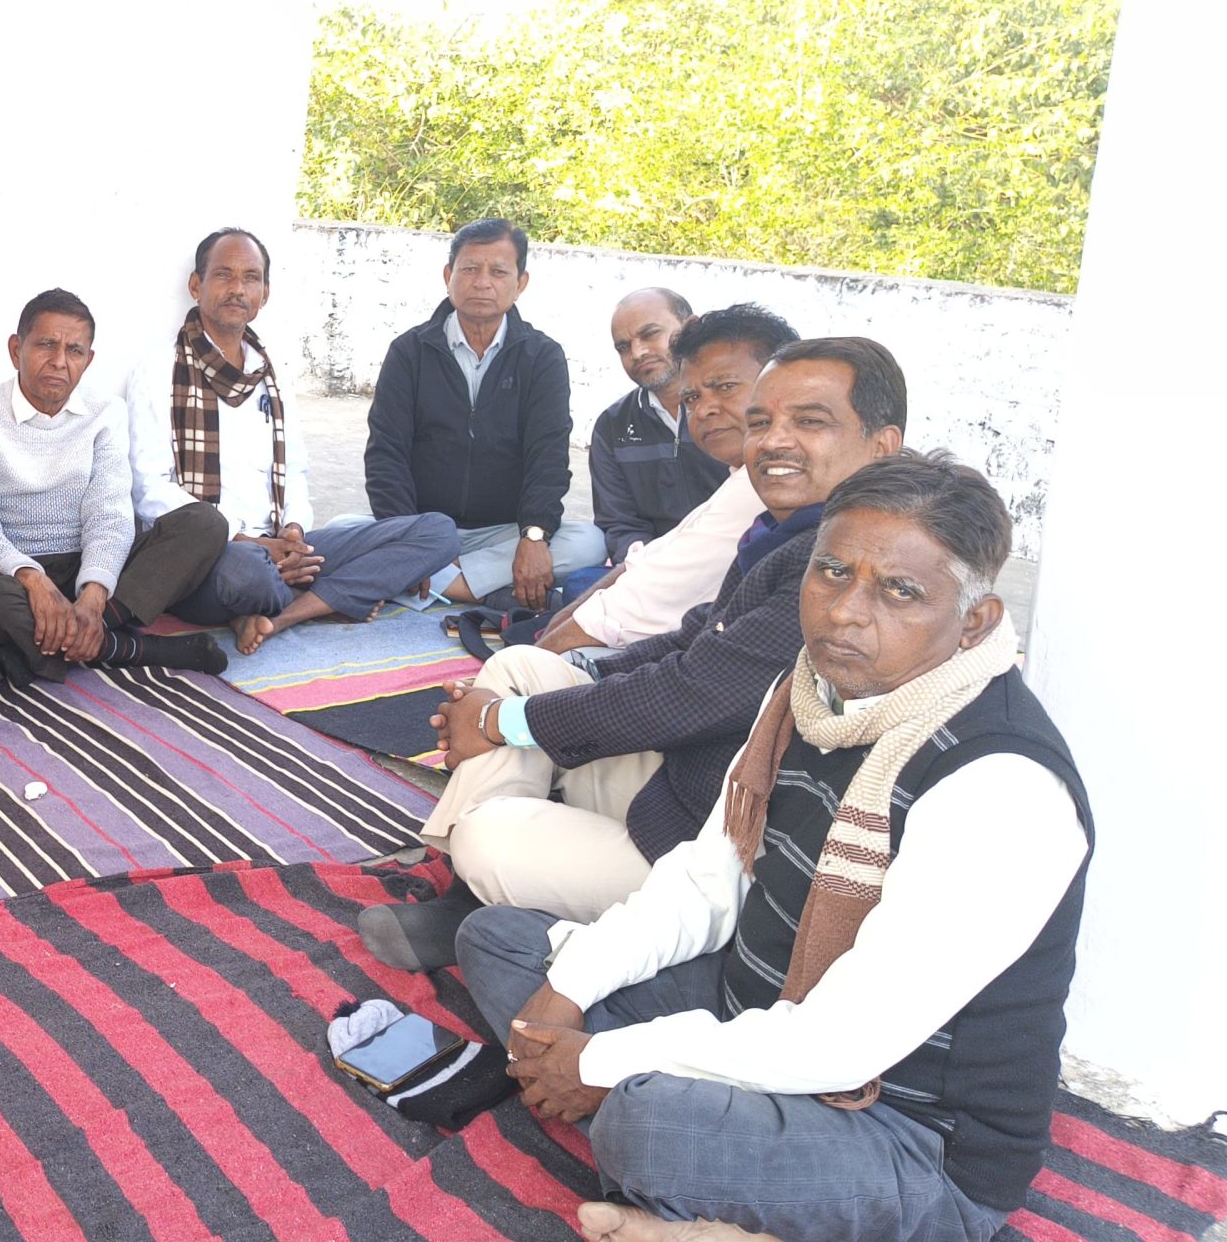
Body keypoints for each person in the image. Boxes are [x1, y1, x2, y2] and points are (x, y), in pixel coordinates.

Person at [457, 452, 1084, 1242]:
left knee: (647, 1124)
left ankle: (678, 1161)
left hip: (907, 1131)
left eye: (899, 591)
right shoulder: (806, 691)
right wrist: (570, 992)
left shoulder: (1000, 783)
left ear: (975, 623)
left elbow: (843, 1042)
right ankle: (703, 1181)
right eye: (832, 572)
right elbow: (707, 881)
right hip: (756, 1006)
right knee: (502, 944)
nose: (845, 612)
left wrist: (598, 1064)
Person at [363, 338, 908, 967]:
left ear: (881, 445)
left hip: (723, 848)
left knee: (488, 826)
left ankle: (489, 883)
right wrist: (570, 675)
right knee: (522, 669)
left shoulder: (850, 567)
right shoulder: (788, 531)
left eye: (809, 421)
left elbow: (695, 691)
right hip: (691, 783)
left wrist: (496, 721)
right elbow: (696, 638)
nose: (773, 441)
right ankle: (471, 893)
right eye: (761, 422)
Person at [127, 228, 457, 655]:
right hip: (211, 556)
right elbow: (149, 490)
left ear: (264, 294)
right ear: (196, 285)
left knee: (438, 533)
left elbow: (295, 469)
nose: (237, 288)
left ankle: (283, 614)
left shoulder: (273, 373)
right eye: (224, 275)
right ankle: (327, 598)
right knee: (246, 576)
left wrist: (295, 535)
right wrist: (250, 543)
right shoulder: (158, 372)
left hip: (280, 544)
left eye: (251, 278)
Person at [0, 288, 230, 686]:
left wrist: (94, 596)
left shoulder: (106, 413)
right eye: (46, 345)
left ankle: (64, 641)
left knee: (205, 523)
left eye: (74, 351)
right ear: (16, 349)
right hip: (15, 575)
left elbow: (110, 513)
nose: (59, 361)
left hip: (88, 565)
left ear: (88, 360)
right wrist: (33, 579)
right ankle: (132, 649)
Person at [363, 218, 605, 610]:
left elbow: (548, 457)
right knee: (340, 530)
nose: (482, 283)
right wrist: (409, 541)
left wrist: (534, 535)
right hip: (425, 529)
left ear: (520, 283)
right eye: (470, 269)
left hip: (505, 532)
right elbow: (385, 454)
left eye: (498, 272)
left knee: (589, 543)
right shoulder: (409, 352)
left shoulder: (541, 356)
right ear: (448, 276)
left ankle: (426, 581)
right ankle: (478, 585)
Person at [535, 304, 801, 654]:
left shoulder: (771, 475)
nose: (704, 409)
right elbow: (621, 525)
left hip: (698, 600)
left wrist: (539, 653)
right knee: (585, 585)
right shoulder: (614, 423)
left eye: (726, 387)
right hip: (660, 566)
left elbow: (659, 589)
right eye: (692, 398)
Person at [588, 288, 724, 562]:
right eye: (623, 347)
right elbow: (619, 524)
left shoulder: (731, 410)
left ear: (691, 328)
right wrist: (648, 565)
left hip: (734, 560)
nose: (637, 353)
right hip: (653, 566)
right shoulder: (613, 426)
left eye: (650, 334)